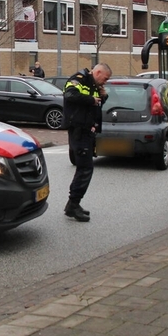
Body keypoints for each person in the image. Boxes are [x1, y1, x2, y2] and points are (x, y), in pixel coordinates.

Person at [63, 63, 111, 222]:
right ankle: (73, 205)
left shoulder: (93, 84)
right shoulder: (78, 79)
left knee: (85, 168)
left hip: (88, 130)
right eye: (105, 79)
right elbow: (69, 95)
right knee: (85, 169)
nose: (105, 82)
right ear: (97, 72)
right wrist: (91, 99)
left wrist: (102, 97)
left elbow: (95, 105)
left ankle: (73, 203)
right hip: (79, 130)